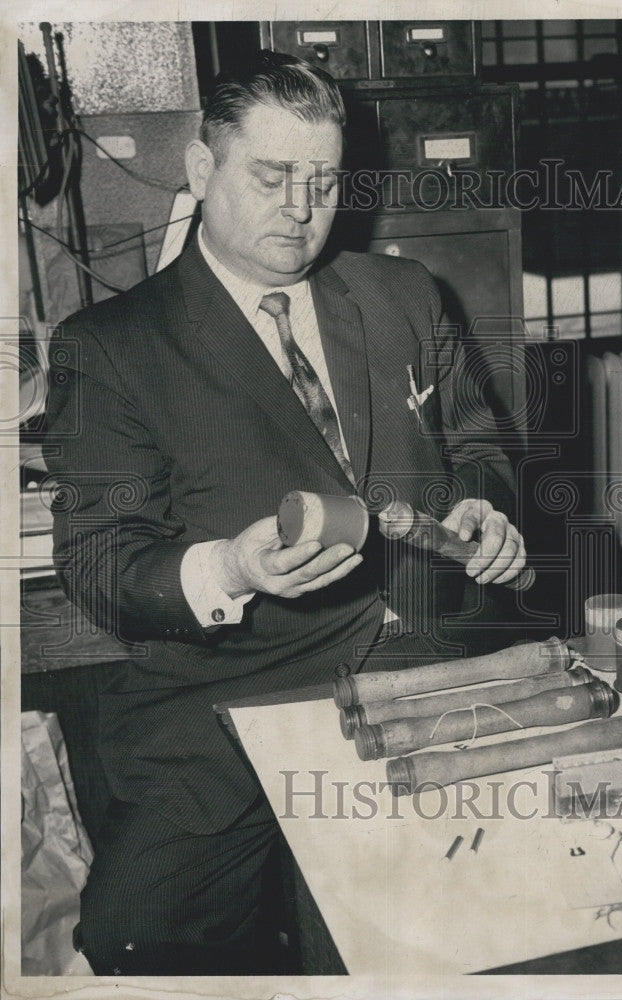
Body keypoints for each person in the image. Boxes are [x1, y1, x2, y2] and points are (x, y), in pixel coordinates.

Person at [44, 50, 528, 975]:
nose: (302, 209)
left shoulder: (405, 296)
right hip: (225, 686)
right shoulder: (109, 348)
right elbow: (100, 562)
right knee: (136, 934)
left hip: (418, 650)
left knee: (422, 930)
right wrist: (228, 569)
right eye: (271, 178)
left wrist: (487, 508)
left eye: (323, 181)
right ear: (200, 169)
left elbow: (478, 444)